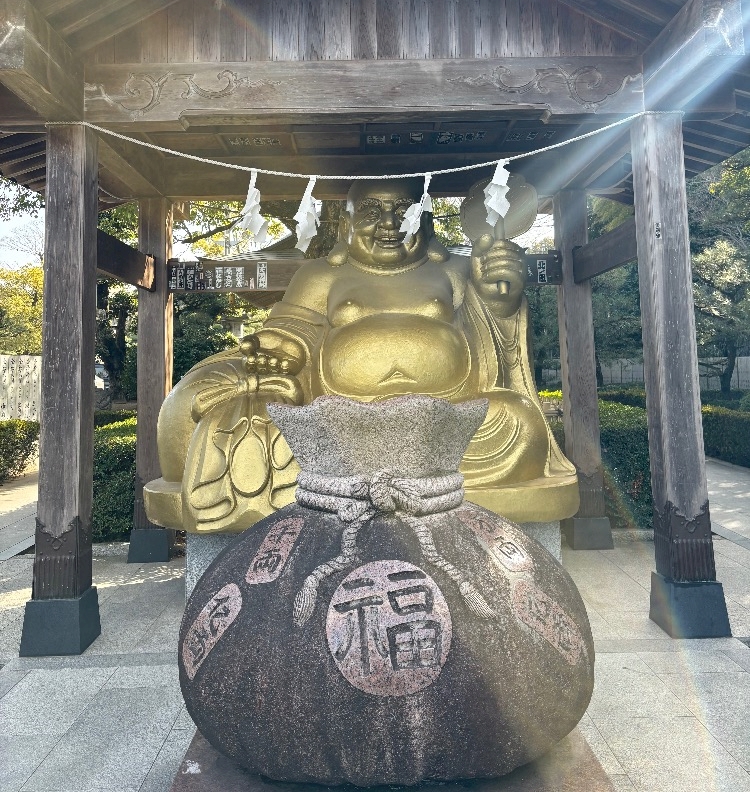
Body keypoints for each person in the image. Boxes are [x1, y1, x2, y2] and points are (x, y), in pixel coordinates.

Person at [145, 178, 578, 534]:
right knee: (201, 404)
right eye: (372, 211)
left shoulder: (454, 269)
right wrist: (277, 354)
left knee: (520, 422)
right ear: (346, 224)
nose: (389, 224)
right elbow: (291, 332)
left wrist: (500, 297)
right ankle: (396, 475)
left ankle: (351, 476)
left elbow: (493, 336)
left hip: (446, 420)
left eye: (403, 211)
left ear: (426, 221)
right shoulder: (320, 275)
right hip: (338, 416)